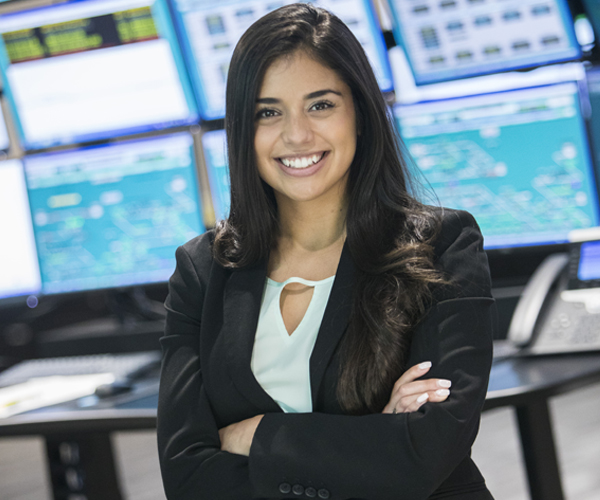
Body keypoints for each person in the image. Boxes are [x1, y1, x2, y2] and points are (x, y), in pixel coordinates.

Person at [157, 3, 496, 499]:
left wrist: (256, 437)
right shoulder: (201, 272)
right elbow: (188, 478)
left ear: (359, 113)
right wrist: (368, 443)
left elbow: (424, 454)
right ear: (242, 132)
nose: (296, 135)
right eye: (268, 112)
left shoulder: (440, 245)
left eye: (320, 105)